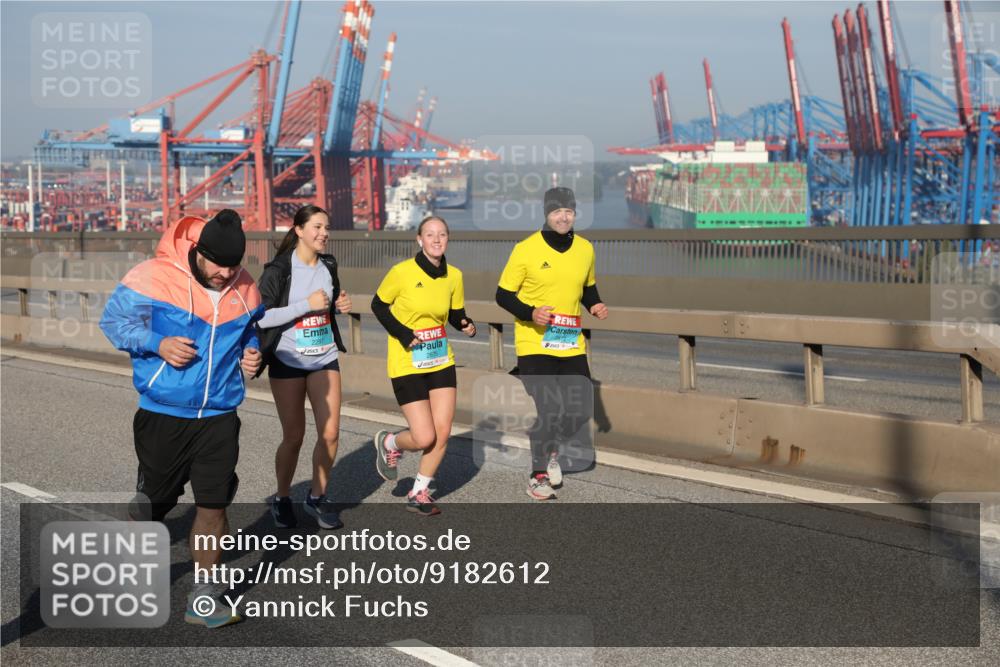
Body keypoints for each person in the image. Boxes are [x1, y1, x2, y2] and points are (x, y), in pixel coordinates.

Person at [100, 209, 263, 628]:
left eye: (234, 265)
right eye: (218, 264)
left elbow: (250, 329)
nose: (226, 274)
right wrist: (158, 343)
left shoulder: (244, 286)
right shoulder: (154, 274)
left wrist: (253, 351)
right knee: (155, 504)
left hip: (220, 415)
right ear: (199, 252)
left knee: (213, 504)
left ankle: (202, 598)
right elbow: (114, 322)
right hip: (163, 414)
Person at [495, 187, 609, 500]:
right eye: (557, 211)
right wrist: (531, 312)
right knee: (550, 408)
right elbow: (503, 295)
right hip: (534, 343)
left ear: (575, 213)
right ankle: (537, 475)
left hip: (570, 343)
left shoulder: (585, 248)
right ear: (546, 213)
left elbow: (587, 287)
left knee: (579, 407)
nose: (563, 217)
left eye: (569, 211)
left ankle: (551, 449)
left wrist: (595, 305)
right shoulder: (526, 249)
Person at [371, 216, 476, 516]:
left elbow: (455, 313)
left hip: (441, 358)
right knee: (424, 436)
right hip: (408, 360)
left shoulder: (454, 276)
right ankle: (391, 442)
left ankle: (419, 492)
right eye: (430, 234)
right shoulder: (401, 272)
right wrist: (404, 334)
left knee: (442, 432)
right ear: (419, 239)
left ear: (448, 238)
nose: (436, 239)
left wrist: (465, 324)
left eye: (442, 234)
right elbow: (378, 305)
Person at [256, 205, 352, 530]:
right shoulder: (279, 269)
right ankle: (282, 497)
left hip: (324, 357)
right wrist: (303, 306)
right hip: (288, 360)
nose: (324, 233)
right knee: (294, 436)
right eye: (317, 227)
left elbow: (329, 300)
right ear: (298, 230)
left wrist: (340, 303)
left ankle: (316, 497)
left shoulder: (328, 264)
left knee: (331, 432)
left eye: (327, 227)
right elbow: (261, 316)